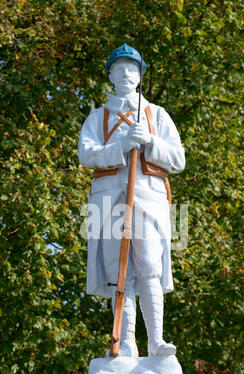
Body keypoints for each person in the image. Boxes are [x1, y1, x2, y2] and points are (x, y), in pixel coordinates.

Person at [78, 44, 185, 357]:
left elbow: (178, 159)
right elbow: (86, 155)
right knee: (117, 272)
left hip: (149, 200)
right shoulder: (97, 118)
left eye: (132, 68)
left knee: (149, 265)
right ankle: (124, 344)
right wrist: (122, 144)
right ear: (110, 74)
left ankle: (156, 342)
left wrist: (151, 141)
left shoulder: (157, 115)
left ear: (140, 75)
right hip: (108, 201)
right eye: (119, 68)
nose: (125, 74)